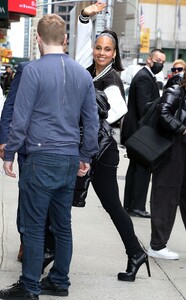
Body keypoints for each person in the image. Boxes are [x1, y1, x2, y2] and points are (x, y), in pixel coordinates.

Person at [0, 13, 99, 299]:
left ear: (39, 39)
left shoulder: (32, 71)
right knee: (62, 224)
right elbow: (90, 121)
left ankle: (30, 286)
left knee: (33, 226)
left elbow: (21, 118)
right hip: (69, 157)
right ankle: (59, 281)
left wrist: (10, 152)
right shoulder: (82, 74)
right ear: (65, 39)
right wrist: (86, 155)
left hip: (40, 156)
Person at [72, 2, 151, 282]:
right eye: (99, 48)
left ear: (114, 53)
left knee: (112, 207)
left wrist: (93, 108)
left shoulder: (112, 79)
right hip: (86, 149)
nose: (101, 53)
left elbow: (120, 110)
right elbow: (82, 42)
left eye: (107, 49)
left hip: (102, 153)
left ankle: (135, 253)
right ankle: (47, 250)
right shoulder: (88, 69)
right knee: (64, 200)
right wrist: (84, 16)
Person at [121, 49, 166, 218]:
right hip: (140, 132)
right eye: (158, 60)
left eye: (163, 60)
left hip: (137, 131)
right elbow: (145, 109)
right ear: (149, 60)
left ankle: (131, 205)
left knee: (136, 169)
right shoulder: (144, 79)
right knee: (141, 169)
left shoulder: (145, 77)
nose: (160, 64)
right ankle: (136, 206)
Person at [147, 67, 186, 260]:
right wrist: (181, 129)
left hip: (181, 151)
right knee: (165, 195)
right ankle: (157, 244)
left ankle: (158, 244)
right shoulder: (176, 90)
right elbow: (162, 113)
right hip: (172, 150)